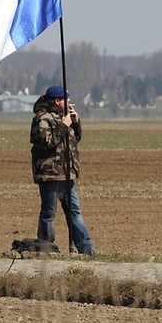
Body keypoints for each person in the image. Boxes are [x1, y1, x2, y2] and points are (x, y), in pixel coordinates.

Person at [29, 85, 95, 255]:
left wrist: (75, 122)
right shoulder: (42, 118)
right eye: (66, 99)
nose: (70, 101)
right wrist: (63, 126)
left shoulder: (63, 117)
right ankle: (46, 248)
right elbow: (47, 143)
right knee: (49, 212)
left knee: (75, 212)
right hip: (50, 174)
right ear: (57, 101)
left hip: (67, 174)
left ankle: (86, 249)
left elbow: (75, 139)